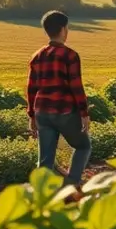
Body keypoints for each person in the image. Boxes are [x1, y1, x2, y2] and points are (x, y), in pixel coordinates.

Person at [26, 10, 91, 192]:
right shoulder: (70, 55)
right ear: (63, 29)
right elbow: (76, 87)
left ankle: (42, 197)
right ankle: (71, 186)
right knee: (83, 146)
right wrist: (84, 113)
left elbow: (31, 88)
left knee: (45, 159)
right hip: (64, 111)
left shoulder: (37, 56)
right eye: (67, 27)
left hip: (42, 112)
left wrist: (31, 116)